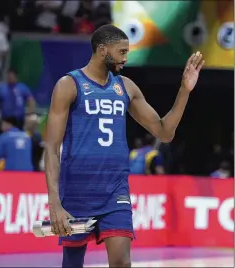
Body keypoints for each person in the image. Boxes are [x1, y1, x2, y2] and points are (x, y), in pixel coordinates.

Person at [44, 24, 204, 267]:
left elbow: (164, 132)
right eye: (121, 52)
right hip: (77, 190)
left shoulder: (126, 87)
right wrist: (54, 204)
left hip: (115, 191)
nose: (126, 59)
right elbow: (52, 148)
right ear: (102, 50)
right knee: (72, 262)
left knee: (121, 261)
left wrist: (184, 90)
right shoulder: (68, 85)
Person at [0, 68, 36, 135]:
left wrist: (29, 114)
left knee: (17, 138)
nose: (9, 77)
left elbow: (31, 101)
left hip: (18, 120)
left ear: (16, 77)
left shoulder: (22, 88)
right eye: (8, 76)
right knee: (3, 137)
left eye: (11, 76)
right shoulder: (2, 88)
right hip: (5, 120)